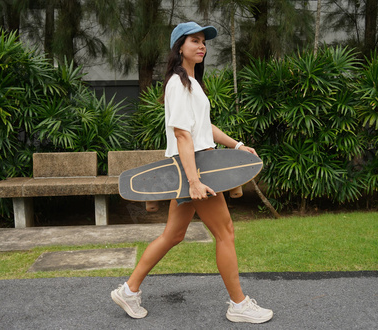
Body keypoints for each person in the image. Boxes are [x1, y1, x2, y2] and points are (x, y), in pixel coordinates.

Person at [111, 22, 273, 324]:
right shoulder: (177, 83)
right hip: (195, 168)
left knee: (173, 235)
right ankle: (238, 304)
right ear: (179, 47)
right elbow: (183, 136)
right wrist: (195, 181)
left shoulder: (193, 83)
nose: (202, 46)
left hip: (196, 166)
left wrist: (237, 144)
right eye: (195, 41)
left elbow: (204, 128)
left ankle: (129, 290)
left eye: (203, 42)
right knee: (225, 233)